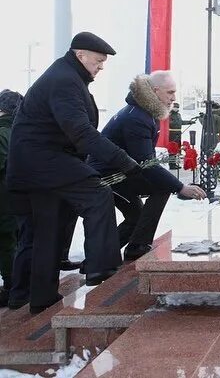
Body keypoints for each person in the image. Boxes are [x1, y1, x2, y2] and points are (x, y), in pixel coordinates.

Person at [5, 32, 142, 313]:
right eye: (98, 60)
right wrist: (124, 160)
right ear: (81, 55)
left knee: (48, 230)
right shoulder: (65, 80)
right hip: (43, 162)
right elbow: (81, 132)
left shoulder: (68, 76)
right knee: (97, 194)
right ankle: (101, 268)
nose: (101, 66)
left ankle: (39, 297)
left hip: (39, 165)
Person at [89, 72, 206, 262]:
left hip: (122, 172)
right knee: (161, 187)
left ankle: (106, 255)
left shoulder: (145, 112)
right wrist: (180, 187)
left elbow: (145, 160)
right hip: (108, 177)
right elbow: (146, 164)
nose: (173, 98)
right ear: (155, 91)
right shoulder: (137, 117)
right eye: (170, 92)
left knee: (137, 218)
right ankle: (134, 247)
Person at [0, 89, 24, 307]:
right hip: (15, 197)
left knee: (7, 244)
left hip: (4, 199)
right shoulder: (19, 131)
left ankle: (12, 288)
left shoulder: (2, 133)